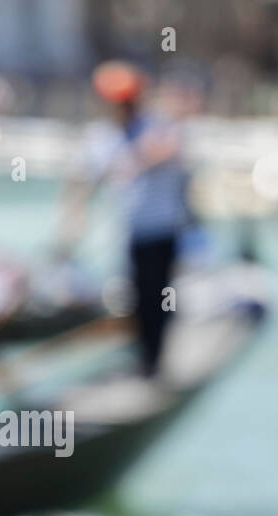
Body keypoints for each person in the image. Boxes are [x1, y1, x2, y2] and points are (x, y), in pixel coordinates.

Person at [60, 61, 192, 377]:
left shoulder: (156, 126)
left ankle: (155, 364)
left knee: (157, 299)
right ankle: (143, 360)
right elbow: (81, 178)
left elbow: (171, 149)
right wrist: (72, 219)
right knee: (133, 298)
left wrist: (140, 157)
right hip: (127, 233)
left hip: (162, 230)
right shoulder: (102, 137)